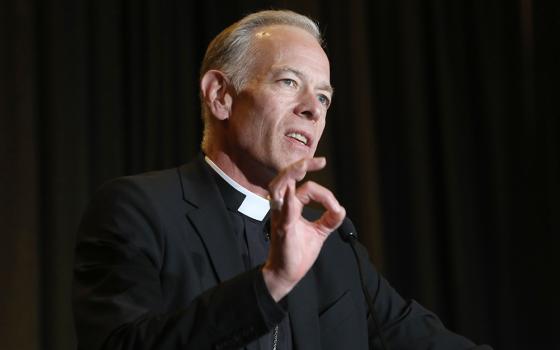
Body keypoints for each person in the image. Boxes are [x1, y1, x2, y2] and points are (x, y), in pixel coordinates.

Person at [73, 9, 492, 350]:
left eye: (324, 96)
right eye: (289, 82)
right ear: (220, 95)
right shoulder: (140, 210)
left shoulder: (333, 249)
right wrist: (272, 281)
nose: (313, 109)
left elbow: (419, 337)